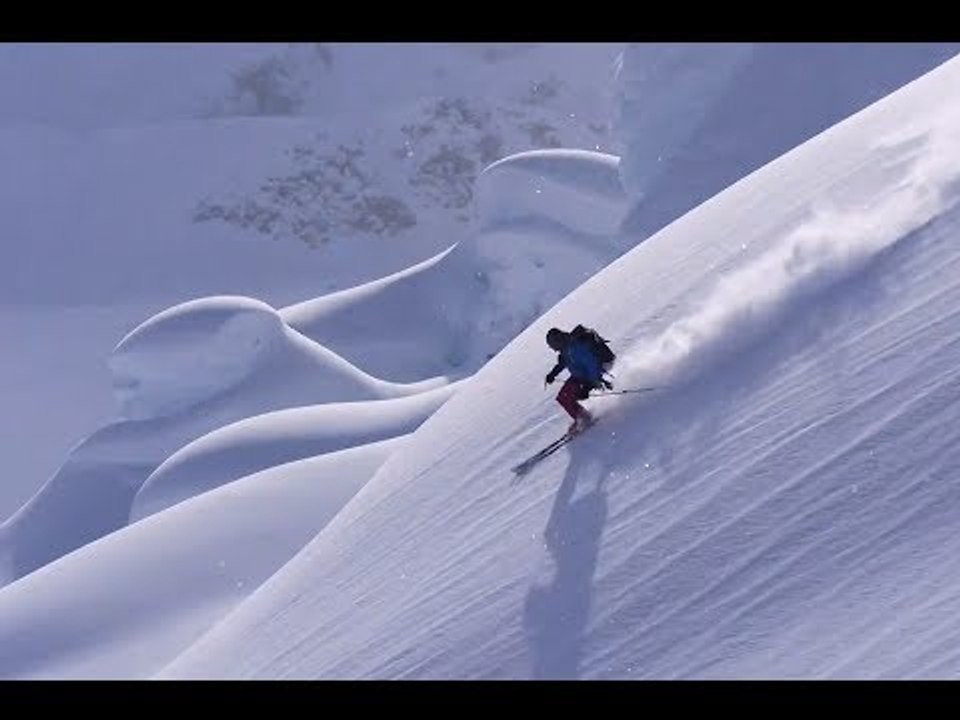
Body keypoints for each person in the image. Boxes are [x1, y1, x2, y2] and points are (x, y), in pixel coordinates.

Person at [544, 324, 615, 434]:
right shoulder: (565, 347)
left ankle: (584, 418)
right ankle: (582, 417)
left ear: (557, 341)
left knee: (566, 397)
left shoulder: (575, 346)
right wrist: (552, 374)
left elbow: (592, 364)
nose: (553, 349)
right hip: (580, 375)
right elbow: (563, 362)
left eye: (552, 345)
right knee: (563, 397)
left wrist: (589, 385)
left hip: (588, 376)